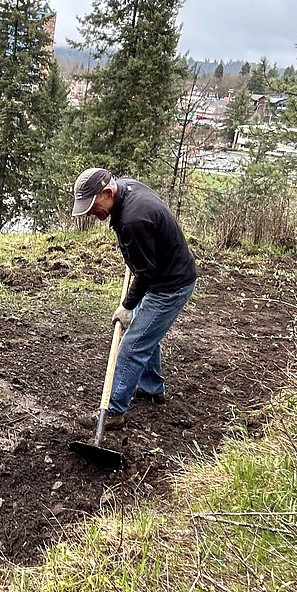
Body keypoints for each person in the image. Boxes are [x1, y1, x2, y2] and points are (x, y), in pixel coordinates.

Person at [72, 167, 197, 427]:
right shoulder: (125, 190)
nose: (92, 214)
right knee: (145, 333)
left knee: (131, 345)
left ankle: (114, 412)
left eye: (93, 206)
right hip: (164, 274)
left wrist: (127, 306)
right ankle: (151, 388)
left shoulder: (133, 219)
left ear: (107, 193)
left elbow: (146, 273)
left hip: (169, 286)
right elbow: (145, 260)